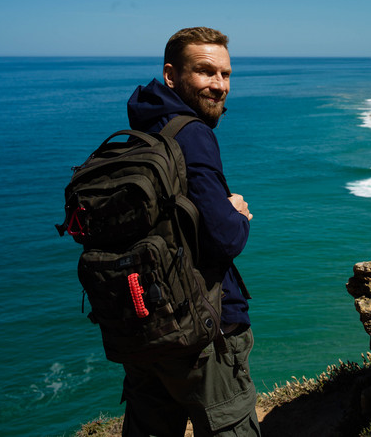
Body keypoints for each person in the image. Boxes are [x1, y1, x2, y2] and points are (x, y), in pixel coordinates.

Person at [123, 27, 259, 436]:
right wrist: (236, 212)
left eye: (226, 74)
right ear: (171, 75)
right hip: (204, 327)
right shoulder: (192, 133)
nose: (220, 86)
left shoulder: (141, 130)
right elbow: (226, 238)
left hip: (147, 324)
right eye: (205, 72)